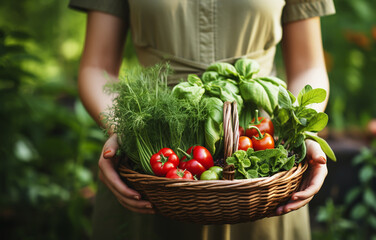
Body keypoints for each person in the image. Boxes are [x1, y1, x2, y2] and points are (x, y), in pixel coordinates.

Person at [69, 0, 335, 239]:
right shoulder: (142, 140)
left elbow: (308, 66)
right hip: (152, 154)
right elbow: (96, 67)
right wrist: (127, 131)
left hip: (260, 157)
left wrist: (299, 132)